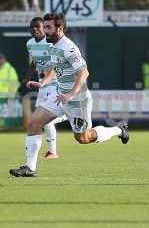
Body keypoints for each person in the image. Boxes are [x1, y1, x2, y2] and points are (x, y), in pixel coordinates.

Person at [9, 13, 129, 177]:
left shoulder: (68, 47)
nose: (45, 30)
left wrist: (71, 94)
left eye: (48, 27)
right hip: (59, 96)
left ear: (60, 28)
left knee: (83, 138)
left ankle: (118, 130)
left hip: (77, 101)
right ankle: (30, 168)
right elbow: (55, 68)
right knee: (34, 123)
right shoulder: (52, 46)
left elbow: (84, 72)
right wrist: (43, 83)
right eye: (44, 26)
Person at [25, 17, 67, 159]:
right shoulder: (30, 44)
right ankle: (51, 152)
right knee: (40, 121)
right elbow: (34, 63)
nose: (34, 29)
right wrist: (28, 78)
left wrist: (48, 76)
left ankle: (53, 151)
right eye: (32, 27)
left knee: (43, 120)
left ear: (44, 28)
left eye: (38, 26)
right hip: (42, 85)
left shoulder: (50, 44)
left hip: (55, 83)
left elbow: (57, 65)